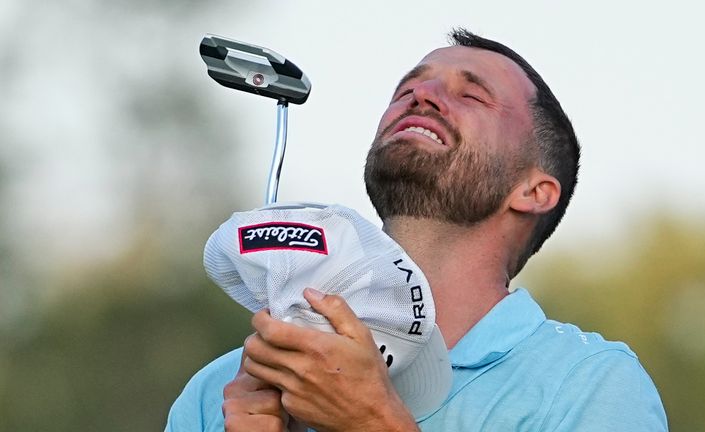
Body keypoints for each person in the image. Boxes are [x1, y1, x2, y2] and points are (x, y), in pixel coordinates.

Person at [165, 28, 668, 431]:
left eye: (473, 94)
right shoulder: (221, 391)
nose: (422, 95)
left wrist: (372, 422)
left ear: (534, 191)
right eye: (407, 88)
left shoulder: (591, 384)